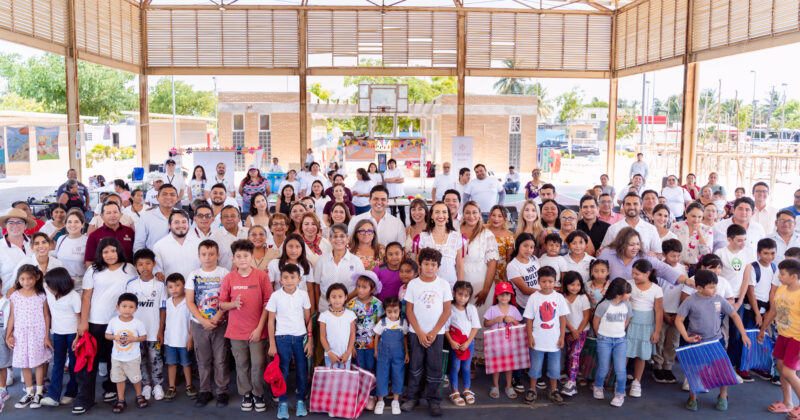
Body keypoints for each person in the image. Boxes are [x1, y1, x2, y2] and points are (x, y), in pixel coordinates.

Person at [74, 237, 139, 414]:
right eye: (105, 252)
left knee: (115, 359)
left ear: (119, 251)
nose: (110, 255)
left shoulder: (129, 269)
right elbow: (86, 296)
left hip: (120, 323)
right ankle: (84, 398)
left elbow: (135, 294)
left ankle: (110, 389)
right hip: (97, 321)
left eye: (112, 250)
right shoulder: (93, 270)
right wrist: (83, 322)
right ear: (100, 254)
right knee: (90, 361)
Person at [677, 269, 750, 411]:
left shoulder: (719, 299)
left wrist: (743, 334)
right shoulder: (690, 301)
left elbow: (734, 315)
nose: (715, 289)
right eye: (711, 287)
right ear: (699, 288)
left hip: (716, 341)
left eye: (715, 285)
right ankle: (693, 398)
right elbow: (679, 320)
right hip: (696, 342)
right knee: (694, 371)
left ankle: (723, 396)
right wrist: (686, 336)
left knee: (723, 370)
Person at [219, 239, 272, 413]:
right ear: (233, 258)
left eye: (246, 256)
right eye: (238, 256)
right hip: (236, 331)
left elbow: (268, 304)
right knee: (241, 364)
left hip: (257, 331)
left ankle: (258, 393)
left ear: (251, 257)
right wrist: (233, 304)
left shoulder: (261, 276)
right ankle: (246, 393)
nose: (242, 259)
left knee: (258, 363)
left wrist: (259, 329)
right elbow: (221, 304)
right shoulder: (229, 278)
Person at [400, 248, 452, 417]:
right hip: (417, 334)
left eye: (433, 264)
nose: (430, 267)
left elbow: (446, 311)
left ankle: (434, 400)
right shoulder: (414, 284)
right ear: (420, 265)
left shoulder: (443, 284)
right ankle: (413, 397)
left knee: (435, 367)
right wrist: (421, 333)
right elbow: (409, 311)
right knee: (415, 366)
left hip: (436, 335)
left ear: (438, 266)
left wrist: (434, 332)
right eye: (426, 264)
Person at [185, 239, 231, 408]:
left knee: (220, 359)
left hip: (220, 323)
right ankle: (205, 390)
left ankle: (222, 391)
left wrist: (216, 318)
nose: (208, 257)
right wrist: (203, 320)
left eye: (211, 254)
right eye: (204, 254)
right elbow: (190, 301)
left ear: (218, 255)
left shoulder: (224, 273)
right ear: (199, 256)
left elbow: (227, 298)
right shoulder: (194, 274)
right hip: (199, 324)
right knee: (202, 360)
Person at [266, 263, 312, 419]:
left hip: (300, 338)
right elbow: (271, 321)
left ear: (299, 279)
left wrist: (310, 340)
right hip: (282, 338)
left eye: (293, 277)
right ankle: (282, 403)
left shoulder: (303, 295)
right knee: (282, 371)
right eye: (286, 277)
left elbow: (308, 319)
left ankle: (301, 401)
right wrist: (272, 343)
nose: (289, 280)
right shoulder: (275, 296)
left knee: (301, 370)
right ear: (280, 279)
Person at [757, 259, 800, 417]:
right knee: (781, 369)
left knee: (789, 372)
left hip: (797, 339)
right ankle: (788, 403)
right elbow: (773, 311)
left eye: (782, 274)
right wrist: (763, 329)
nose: (779, 276)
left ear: (794, 276)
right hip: (783, 335)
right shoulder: (781, 289)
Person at [6, 265, 51, 409]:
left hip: (37, 334)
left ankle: (39, 392)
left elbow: (46, 316)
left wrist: (46, 336)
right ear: (18, 280)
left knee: (38, 362)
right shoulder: (15, 296)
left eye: (29, 278)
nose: (26, 282)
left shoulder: (41, 295)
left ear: (36, 278)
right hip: (20, 334)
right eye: (22, 279)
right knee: (24, 363)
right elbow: (12, 316)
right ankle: (29, 392)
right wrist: (9, 334)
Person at [125, 249, 167, 402]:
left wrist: (161, 330)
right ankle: (146, 384)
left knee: (156, 358)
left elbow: (163, 309)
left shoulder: (161, 285)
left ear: (154, 264)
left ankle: (157, 385)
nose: (145, 267)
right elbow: (126, 309)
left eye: (148, 263)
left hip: (154, 331)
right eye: (141, 264)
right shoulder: (131, 285)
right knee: (140, 359)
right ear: (135, 266)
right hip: (136, 334)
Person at [522, 266, 568, 405]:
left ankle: (553, 390)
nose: (547, 285)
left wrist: (561, 337)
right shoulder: (534, 297)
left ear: (555, 281)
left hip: (554, 341)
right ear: (538, 281)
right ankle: (532, 389)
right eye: (544, 281)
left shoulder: (559, 297)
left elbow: (562, 318)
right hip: (537, 340)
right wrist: (530, 337)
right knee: (535, 367)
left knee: (554, 368)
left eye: (550, 281)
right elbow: (529, 319)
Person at [38, 267, 80, 407]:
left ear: (59, 284)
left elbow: (79, 317)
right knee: (58, 364)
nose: (47, 287)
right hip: (57, 333)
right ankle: (53, 396)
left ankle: (71, 393)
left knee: (74, 364)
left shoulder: (74, 296)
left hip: (73, 333)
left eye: (50, 285)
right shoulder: (49, 291)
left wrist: (78, 337)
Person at [103, 293, 148, 413]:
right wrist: (115, 337)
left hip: (133, 357)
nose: (127, 309)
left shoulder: (137, 323)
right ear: (117, 307)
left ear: (136, 309)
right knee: (119, 379)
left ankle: (139, 395)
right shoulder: (113, 321)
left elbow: (144, 336)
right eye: (124, 306)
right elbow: (107, 335)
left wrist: (134, 339)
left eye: (131, 307)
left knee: (136, 378)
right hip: (117, 357)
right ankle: (121, 399)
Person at [597, 227, 689, 287]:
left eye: (637, 244)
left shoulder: (644, 255)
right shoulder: (607, 253)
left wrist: (686, 281)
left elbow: (664, 269)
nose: (636, 248)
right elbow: (596, 274)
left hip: (638, 302)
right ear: (621, 244)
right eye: (631, 244)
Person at [592, 277, 633, 407]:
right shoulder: (604, 305)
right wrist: (600, 334)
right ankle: (598, 386)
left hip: (620, 340)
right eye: (628, 292)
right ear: (618, 293)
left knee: (621, 369)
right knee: (603, 367)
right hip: (604, 340)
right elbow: (596, 321)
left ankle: (620, 394)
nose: (630, 295)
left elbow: (627, 319)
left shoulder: (627, 305)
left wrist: (620, 331)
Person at [347, 272, 384, 409]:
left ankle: (371, 395)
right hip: (356, 344)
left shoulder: (377, 304)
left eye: (364, 287)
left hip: (372, 344)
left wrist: (377, 347)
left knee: (371, 368)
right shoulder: (351, 304)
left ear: (372, 289)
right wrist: (350, 347)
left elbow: (379, 327)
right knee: (358, 368)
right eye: (358, 286)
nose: (360, 290)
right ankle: (359, 394)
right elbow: (349, 328)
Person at [460, 201, 498, 320]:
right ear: (463, 214)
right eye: (467, 212)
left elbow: (493, 264)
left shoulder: (487, 234)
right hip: (459, 280)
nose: (471, 216)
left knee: (479, 317)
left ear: (480, 214)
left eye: (475, 212)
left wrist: (486, 290)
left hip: (480, 284)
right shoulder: (454, 229)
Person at [483, 282, 523, 399]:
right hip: (496, 344)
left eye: (507, 294)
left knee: (509, 366)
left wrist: (513, 320)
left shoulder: (514, 309)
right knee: (497, 365)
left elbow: (519, 324)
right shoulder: (492, 309)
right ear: (497, 296)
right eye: (501, 294)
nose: (504, 297)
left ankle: (508, 386)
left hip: (510, 344)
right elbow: (485, 323)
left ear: (511, 296)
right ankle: (495, 385)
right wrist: (495, 320)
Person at [412, 202, 464, 287]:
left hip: (450, 286)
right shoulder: (423, 237)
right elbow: (419, 264)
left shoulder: (457, 237)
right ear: (431, 216)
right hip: (428, 285)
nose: (441, 215)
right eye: (437, 212)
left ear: (448, 216)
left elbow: (460, 266)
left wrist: (460, 288)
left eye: (444, 212)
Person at [446, 281, 480, 407]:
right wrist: (451, 342)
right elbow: (445, 328)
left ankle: (466, 389)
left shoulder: (471, 309)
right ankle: (454, 391)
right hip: (455, 344)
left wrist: (468, 342)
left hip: (468, 344)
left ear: (469, 297)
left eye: (466, 296)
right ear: (454, 293)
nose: (462, 298)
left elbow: (475, 327)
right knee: (455, 367)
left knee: (466, 367)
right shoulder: (449, 308)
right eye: (460, 294)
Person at [373, 296, 408, 415]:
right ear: (385, 311)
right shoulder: (382, 323)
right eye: (389, 312)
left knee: (398, 375)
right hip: (383, 355)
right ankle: (380, 401)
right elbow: (377, 336)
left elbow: (404, 338)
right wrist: (376, 351)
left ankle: (396, 401)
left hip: (398, 355)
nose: (392, 315)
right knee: (382, 375)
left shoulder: (403, 323)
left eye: (395, 311)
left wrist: (407, 352)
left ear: (400, 310)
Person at [162, 274, 195, 401]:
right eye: (170, 287)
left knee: (186, 364)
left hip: (184, 340)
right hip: (170, 340)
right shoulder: (167, 302)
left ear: (184, 286)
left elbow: (192, 322)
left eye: (177, 285)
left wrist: (191, 339)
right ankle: (171, 387)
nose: (174, 289)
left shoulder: (188, 301)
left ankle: (189, 385)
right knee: (171, 364)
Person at [561, 271, 590, 397]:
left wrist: (578, 331)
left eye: (578, 285)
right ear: (566, 285)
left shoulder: (583, 298)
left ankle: (571, 382)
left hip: (582, 331)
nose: (575, 288)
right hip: (568, 331)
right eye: (572, 285)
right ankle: (571, 379)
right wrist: (572, 330)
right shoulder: (562, 298)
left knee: (575, 354)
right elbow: (562, 317)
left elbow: (586, 316)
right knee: (569, 355)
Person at [319, 283, 356, 369]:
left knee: (345, 380)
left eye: (340, 296)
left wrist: (348, 353)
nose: (337, 300)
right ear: (328, 298)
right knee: (332, 380)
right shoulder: (324, 316)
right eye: (333, 297)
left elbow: (352, 335)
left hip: (346, 355)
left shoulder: (350, 315)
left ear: (345, 297)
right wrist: (329, 353)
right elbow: (322, 337)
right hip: (330, 356)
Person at [134, 184, 179, 253]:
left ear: (177, 199)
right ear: (157, 197)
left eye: (172, 195)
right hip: (154, 260)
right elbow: (139, 243)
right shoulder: (146, 217)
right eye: (164, 194)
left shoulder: (183, 215)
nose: (168, 197)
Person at [0, 209, 35, 293]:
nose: (15, 226)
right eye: (11, 222)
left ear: (25, 225)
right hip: (8, 298)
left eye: (19, 222)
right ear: (5, 225)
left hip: (34, 295)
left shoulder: (34, 244)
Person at [669, 202, 713, 268]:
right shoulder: (675, 226)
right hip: (676, 265)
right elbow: (668, 247)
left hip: (696, 268)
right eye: (693, 216)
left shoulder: (707, 229)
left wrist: (699, 232)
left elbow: (706, 253)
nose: (696, 220)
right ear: (686, 214)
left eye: (699, 217)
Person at [506, 233, 540, 310]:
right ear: (518, 245)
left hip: (540, 303)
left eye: (532, 247)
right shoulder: (512, 266)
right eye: (525, 246)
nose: (529, 250)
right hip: (526, 307)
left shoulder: (534, 258)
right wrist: (546, 291)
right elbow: (525, 290)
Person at [210, 206, 249, 271]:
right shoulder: (214, 238)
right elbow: (212, 263)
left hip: (249, 276)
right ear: (221, 220)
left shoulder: (249, 233)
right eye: (225, 216)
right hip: (226, 278)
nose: (229, 219)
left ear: (239, 218)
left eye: (233, 216)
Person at [382, 159, 406, 224]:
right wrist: (397, 178)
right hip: (391, 195)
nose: (391, 165)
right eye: (390, 163)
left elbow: (402, 180)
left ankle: (403, 225)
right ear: (388, 165)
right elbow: (387, 180)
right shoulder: (386, 172)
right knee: (393, 212)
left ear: (395, 164)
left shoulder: (399, 171)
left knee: (402, 211)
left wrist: (391, 180)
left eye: (393, 163)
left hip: (400, 194)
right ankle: (394, 225)